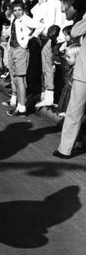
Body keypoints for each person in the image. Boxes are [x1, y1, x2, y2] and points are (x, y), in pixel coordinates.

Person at [53, 14, 86, 158]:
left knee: (74, 112)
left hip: (83, 73)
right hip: (82, 72)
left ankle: (65, 149)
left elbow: (75, 31)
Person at [31, 0, 63, 108]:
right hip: (49, 39)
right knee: (47, 68)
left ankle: (49, 95)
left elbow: (45, 24)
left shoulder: (50, 3)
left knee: (48, 68)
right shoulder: (51, 1)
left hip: (49, 39)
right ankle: (46, 93)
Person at [6, 0, 43, 117]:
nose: (17, 12)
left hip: (21, 50)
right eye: (15, 10)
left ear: (23, 10)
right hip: (12, 49)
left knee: (20, 79)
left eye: (19, 10)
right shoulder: (15, 19)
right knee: (15, 78)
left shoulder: (26, 19)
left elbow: (40, 26)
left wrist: (30, 37)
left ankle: (22, 108)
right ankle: (19, 105)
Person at [56, 43, 81, 117]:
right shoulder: (70, 67)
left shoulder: (78, 70)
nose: (66, 59)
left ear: (77, 57)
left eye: (69, 57)